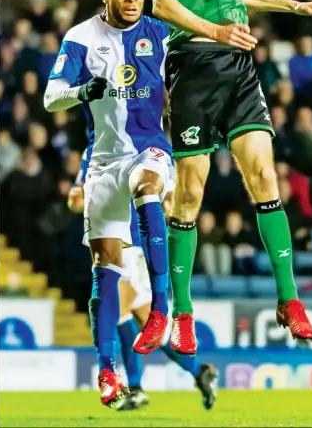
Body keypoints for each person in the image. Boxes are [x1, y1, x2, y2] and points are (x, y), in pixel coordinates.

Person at [141, 0, 312, 354]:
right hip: (194, 68)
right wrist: (215, 31)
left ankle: (289, 299)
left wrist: (296, 7)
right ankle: (182, 311)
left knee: (265, 178)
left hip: (238, 68)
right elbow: (162, 3)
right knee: (189, 193)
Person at [44, 0, 172, 408]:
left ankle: (161, 307)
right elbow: (50, 96)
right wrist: (83, 91)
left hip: (148, 149)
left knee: (149, 185)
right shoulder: (81, 37)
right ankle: (106, 371)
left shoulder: (160, 31)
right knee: (105, 270)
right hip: (102, 163)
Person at [68, 165, 217, 411]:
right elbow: (76, 199)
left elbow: (169, 199)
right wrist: (81, 199)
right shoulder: (94, 151)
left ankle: (136, 388)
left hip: (133, 248)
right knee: (146, 327)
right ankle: (198, 370)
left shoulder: (149, 149)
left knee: (120, 312)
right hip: (108, 242)